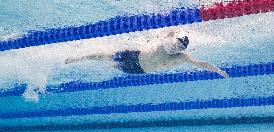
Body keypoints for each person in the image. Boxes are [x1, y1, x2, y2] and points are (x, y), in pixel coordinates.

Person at [65, 29, 229, 78]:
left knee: (110, 64)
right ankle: (78, 57)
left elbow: (200, 63)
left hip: (136, 70)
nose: (176, 49)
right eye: (177, 44)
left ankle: (84, 57)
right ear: (174, 40)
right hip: (133, 55)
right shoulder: (167, 38)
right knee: (104, 56)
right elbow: (171, 29)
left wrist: (218, 71)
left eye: (180, 48)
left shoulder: (181, 57)